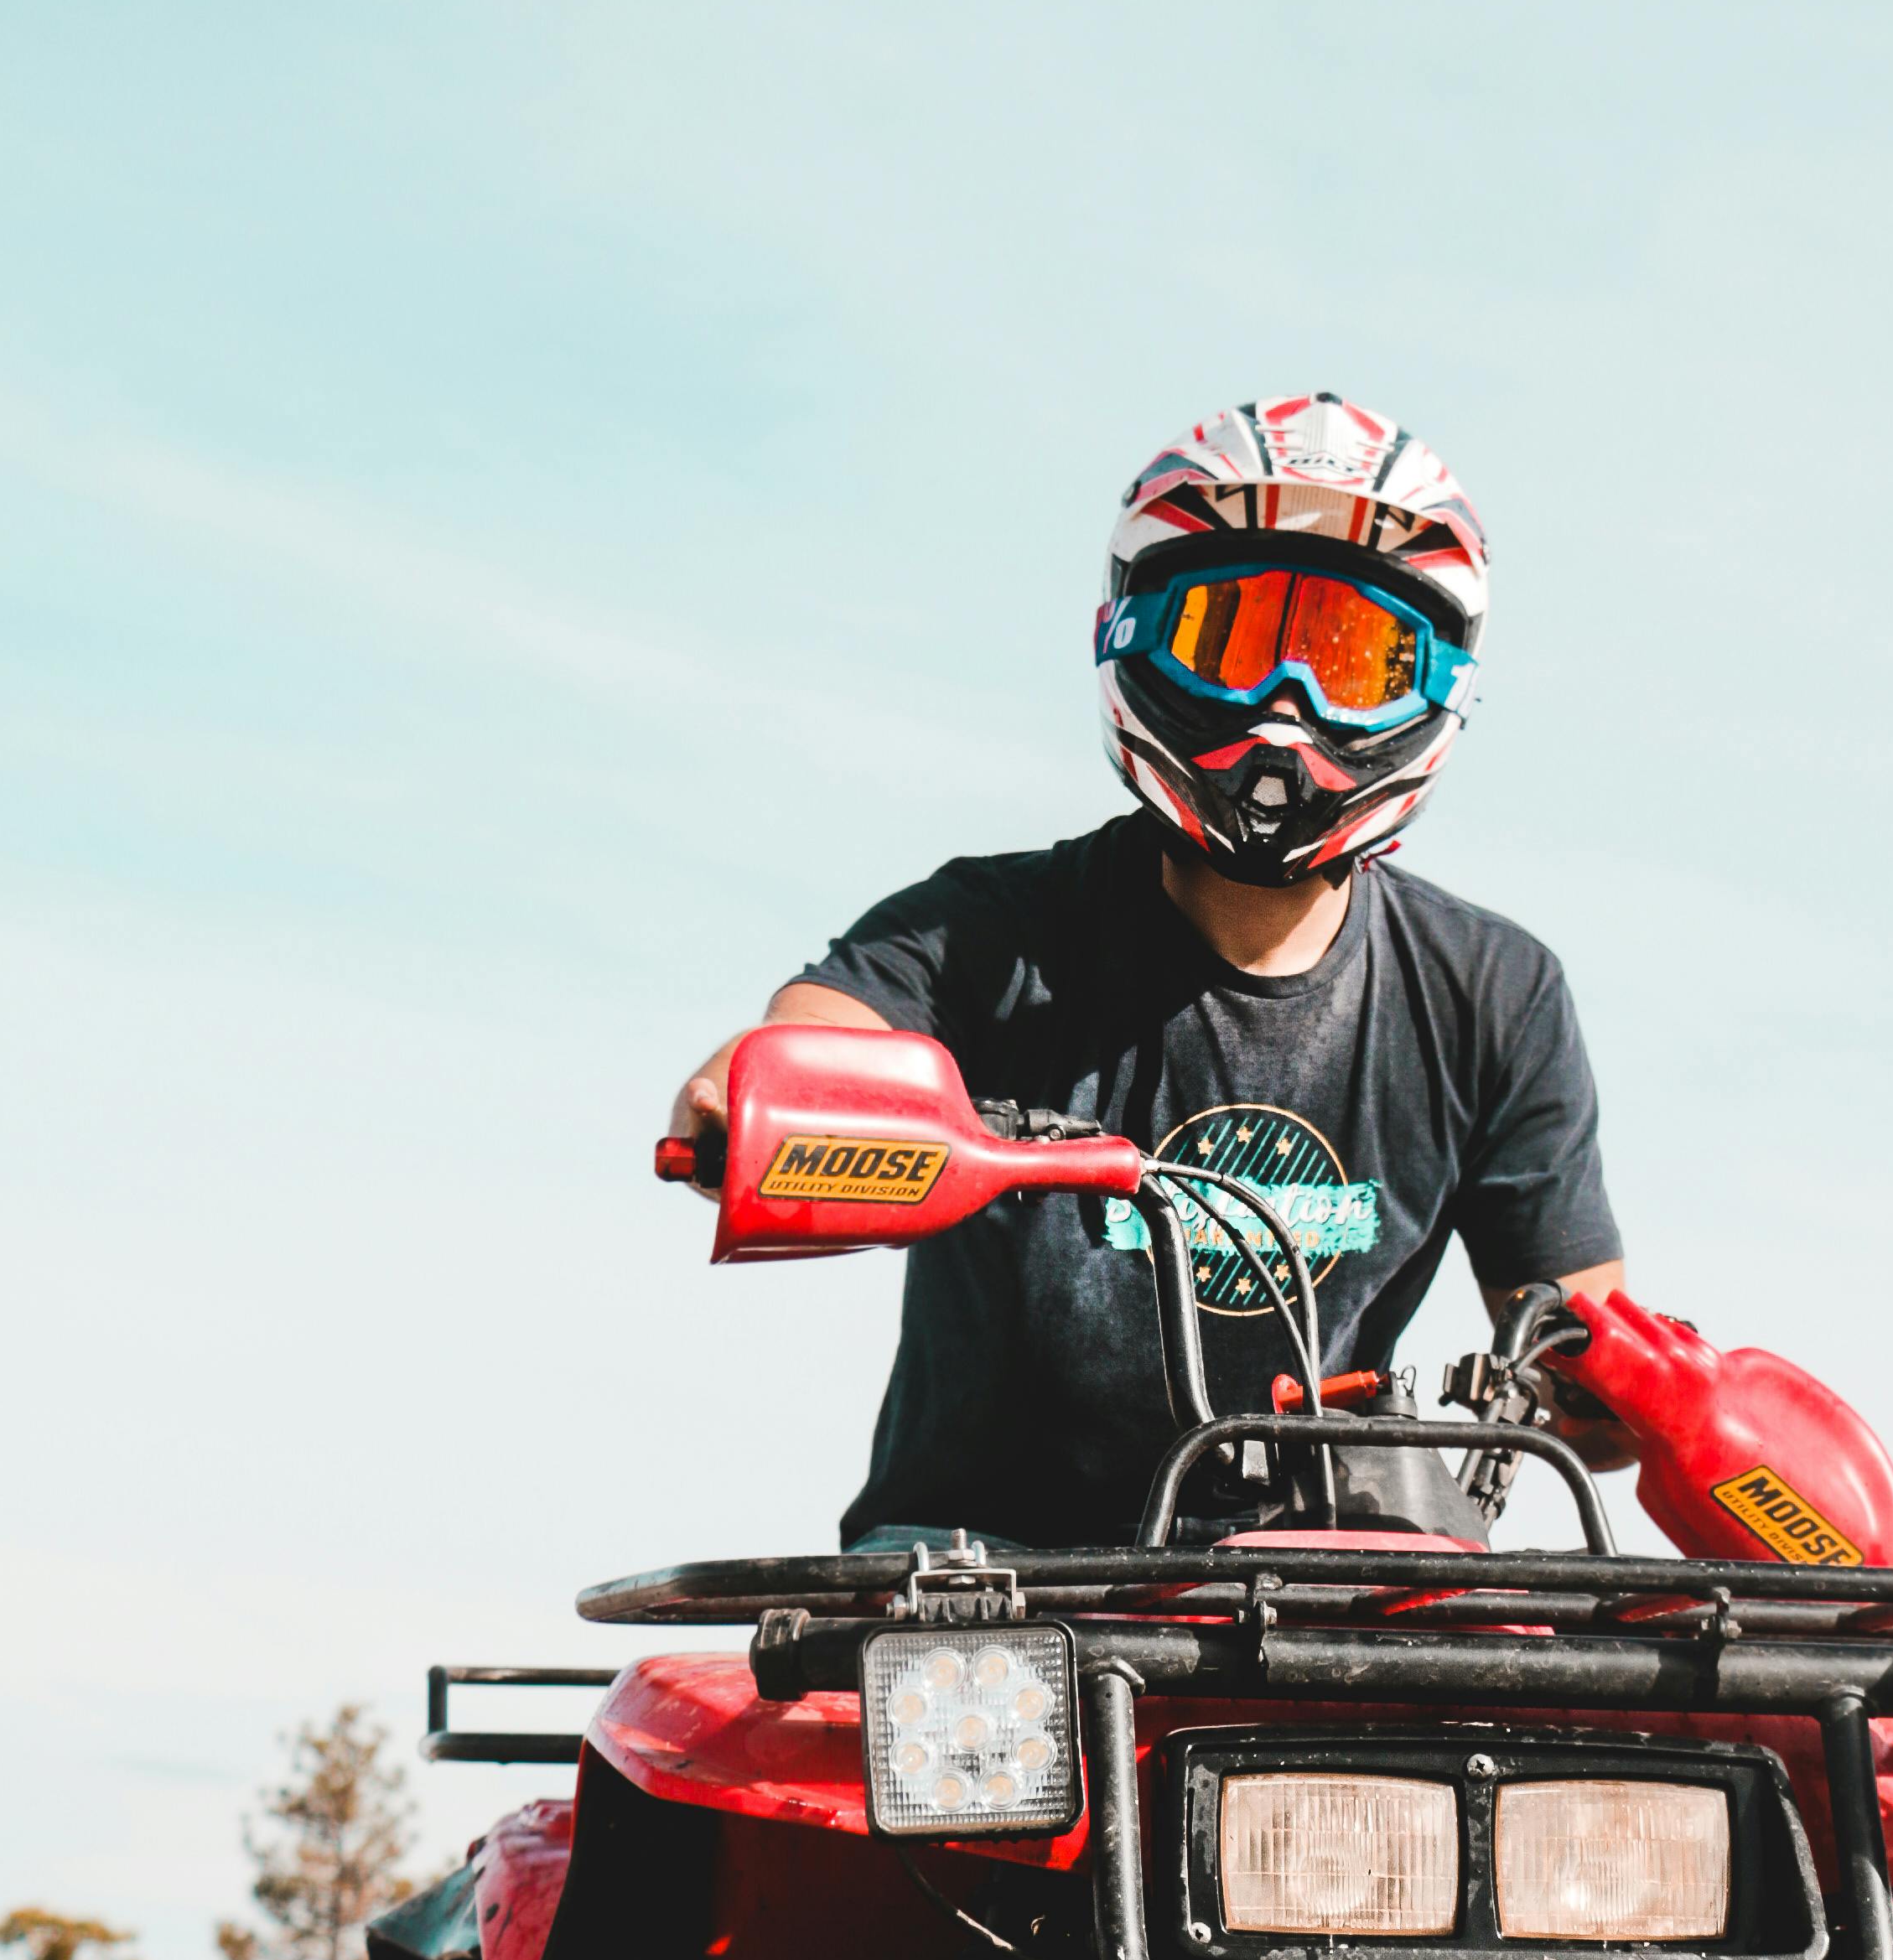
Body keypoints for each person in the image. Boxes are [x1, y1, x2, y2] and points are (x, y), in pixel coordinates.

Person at [670, 395, 1626, 1548]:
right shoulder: (987, 930)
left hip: (1321, 1582)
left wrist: (1654, 1399)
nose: (1288, 708)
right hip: (984, 1577)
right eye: (1231, 640)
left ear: (1438, 689)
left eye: (1352, 661)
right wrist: (755, 1091)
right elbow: (818, 1039)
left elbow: (1583, 1355)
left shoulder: (1496, 993)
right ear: (1131, 635)